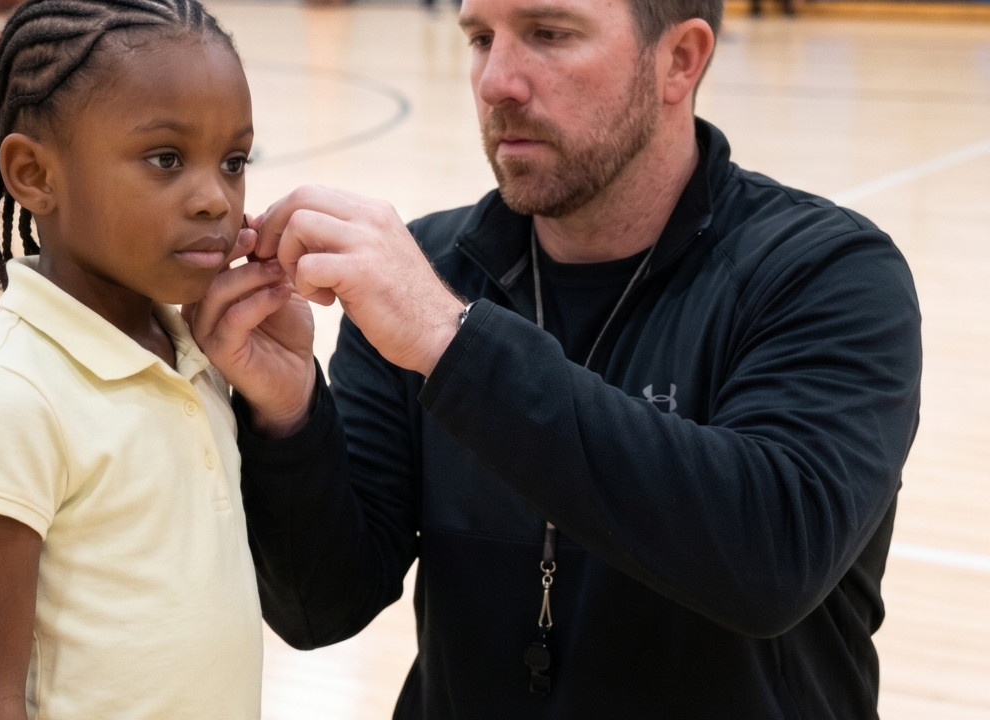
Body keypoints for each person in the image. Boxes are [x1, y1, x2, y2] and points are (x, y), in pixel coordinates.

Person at [188, 0, 922, 718]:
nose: (495, 81)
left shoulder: (828, 272)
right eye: (480, 37)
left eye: (548, 32)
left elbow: (773, 558)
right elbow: (322, 606)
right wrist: (289, 418)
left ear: (679, 60)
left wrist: (452, 340)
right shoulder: (431, 270)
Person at [0, 1, 276, 718]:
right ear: (34, 174)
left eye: (234, 161)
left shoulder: (195, 350)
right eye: (166, 159)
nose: (216, 198)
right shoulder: (11, 395)